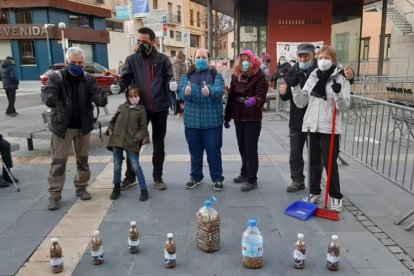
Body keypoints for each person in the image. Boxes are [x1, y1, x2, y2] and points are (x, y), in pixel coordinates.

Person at [279, 43, 354, 193]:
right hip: (302, 121)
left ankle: (329, 192)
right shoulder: (298, 72)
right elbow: (295, 99)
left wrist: (348, 80)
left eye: (306, 56)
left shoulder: (327, 73)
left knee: (324, 160)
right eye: (300, 56)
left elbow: (343, 82)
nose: (303, 58)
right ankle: (304, 185)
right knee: (300, 155)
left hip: (325, 124)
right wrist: (287, 89)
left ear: (313, 56)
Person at [41, 46, 108, 210]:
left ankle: (81, 186)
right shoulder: (57, 77)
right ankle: (55, 194)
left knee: (83, 159)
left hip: (83, 125)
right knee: (58, 161)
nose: (76, 65)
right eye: (72, 62)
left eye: (79, 63)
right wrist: (49, 98)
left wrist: (102, 98)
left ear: (84, 64)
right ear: (66, 62)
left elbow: (96, 93)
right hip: (62, 126)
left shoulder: (88, 78)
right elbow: (48, 92)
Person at [118, 27, 173, 191]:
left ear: (153, 42)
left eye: (144, 42)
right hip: (138, 109)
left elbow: (169, 80)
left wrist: (173, 89)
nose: (141, 45)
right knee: (133, 143)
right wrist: (119, 87)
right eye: (139, 41)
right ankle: (130, 176)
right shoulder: (132, 59)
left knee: (158, 143)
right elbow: (125, 79)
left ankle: (158, 177)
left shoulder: (163, 60)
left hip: (160, 108)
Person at [179, 48, 225, 191]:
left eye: (203, 57)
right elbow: (181, 91)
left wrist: (210, 91)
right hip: (192, 123)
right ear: (194, 59)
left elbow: (220, 90)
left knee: (214, 153)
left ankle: (217, 179)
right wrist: (185, 93)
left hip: (212, 123)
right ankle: (195, 177)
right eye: (198, 57)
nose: (200, 60)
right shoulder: (187, 76)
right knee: (195, 153)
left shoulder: (215, 75)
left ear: (209, 60)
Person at [224, 50, 268, 192]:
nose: (244, 63)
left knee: (251, 148)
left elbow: (262, 95)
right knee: (242, 147)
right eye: (242, 60)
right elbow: (230, 97)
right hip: (238, 115)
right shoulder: (235, 76)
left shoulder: (260, 76)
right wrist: (227, 116)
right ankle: (244, 172)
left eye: (247, 60)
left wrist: (255, 100)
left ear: (252, 61)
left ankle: (252, 179)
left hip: (252, 117)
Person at [107, 84, 150, 201]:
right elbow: (113, 120)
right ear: (127, 97)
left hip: (131, 143)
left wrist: (136, 138)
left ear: (140, 97)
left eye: (135, 96)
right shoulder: (122, 107)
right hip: (117, 141)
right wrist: (110, 129)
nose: (133, 98)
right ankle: (116, 188)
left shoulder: (141, 110)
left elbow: (143, 128)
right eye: (130, 96)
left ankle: (144, 189)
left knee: (135, 165)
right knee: (117, 165)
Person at [172, 51, 187, 117]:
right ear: (181, 57)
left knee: (182, 98)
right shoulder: (177, 64)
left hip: (183, 83)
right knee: (179, 98)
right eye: (184, 57)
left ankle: (182, 112)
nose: (185, 59)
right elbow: (177, 76)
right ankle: (179, 113)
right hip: (179, 84)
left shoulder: (182, 64)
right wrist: (178, 86)